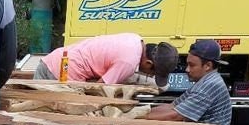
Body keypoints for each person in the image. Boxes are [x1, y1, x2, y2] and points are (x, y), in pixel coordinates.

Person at [35, 34, 178, 88]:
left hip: (55, 60)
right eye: (151, 74)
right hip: (61, 73)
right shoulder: (128, 63)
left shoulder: (135, 39)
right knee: (73, 120)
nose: (150, 76)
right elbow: (99, 90)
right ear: (148, 64)